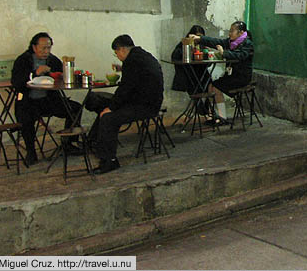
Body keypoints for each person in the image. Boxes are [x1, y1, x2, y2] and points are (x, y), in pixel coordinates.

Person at [86, 34, 164, 174]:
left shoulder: (132, 61)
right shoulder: (141, 55)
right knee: (98, 101)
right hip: (145, 101)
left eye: (116, 53)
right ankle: (94, 143)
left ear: (121, 49)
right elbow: (137, 79)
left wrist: (111, 108)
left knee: (108, 117)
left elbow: (125, 89)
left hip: (145, 106)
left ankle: (109, 161)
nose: (118, 56)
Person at [11, 32, 79, 165]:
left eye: (49, 48)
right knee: (26, 119)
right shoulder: (23, 60)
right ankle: (31, 152)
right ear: (34, 47)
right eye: (43, 48)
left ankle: (69, 144)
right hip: (29, 101)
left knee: (75, 109)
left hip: (49, 101)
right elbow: (16, 82)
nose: (46, 51)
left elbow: (62, 78)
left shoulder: (53, 60)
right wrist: (34, 73)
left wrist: (61, 76)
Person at [191, 21, 253, 121]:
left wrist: (224, 53)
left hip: (241, 77)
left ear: (241, 33)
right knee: (210, 86)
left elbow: (239, 56)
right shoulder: (231, 42)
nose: (229, 33)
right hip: (232, 75)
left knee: (216, 87)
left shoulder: (247, 44)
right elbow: (216, 42)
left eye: (232, 31)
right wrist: (200, 39)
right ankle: (212, 115)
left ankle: (222, 117)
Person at [171, 25, 210, 94]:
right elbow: (175, 56)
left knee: (208, 83)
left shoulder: (202, 45)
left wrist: (206, 53)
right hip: (188, 74)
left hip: (201, 74)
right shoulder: (184, 44)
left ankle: (200, 103)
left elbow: (208, 63)